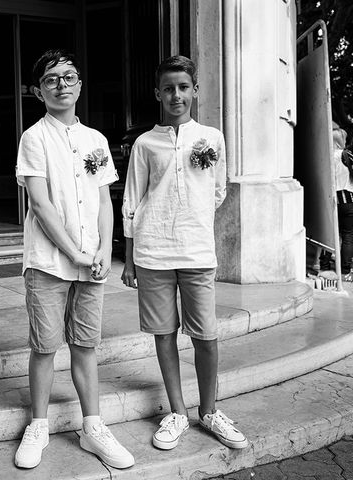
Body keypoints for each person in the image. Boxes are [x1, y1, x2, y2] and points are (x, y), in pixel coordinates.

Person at [13, 49, 134, 470]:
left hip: (92, 261)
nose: (62, 84)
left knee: (85, 345)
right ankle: (39, 425)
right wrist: (76, 253)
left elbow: (104, 199)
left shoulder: (96, 140)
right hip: (49, 262)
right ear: (37, 90)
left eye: (69, 77)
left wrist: (104, 249)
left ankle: (92, 427)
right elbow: (42, 205)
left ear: (80, 84)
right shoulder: (34, 138)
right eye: (51, 79)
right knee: (45, 346)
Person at [121, 55, 248, 451]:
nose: (176, 95)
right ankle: (177, 411)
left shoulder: (211, 137)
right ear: (157, 93)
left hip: (196, 252)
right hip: (153, 252)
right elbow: (132, 198)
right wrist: (129, 258)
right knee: (164, 334)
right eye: (169, 88)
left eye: (183, 87)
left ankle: (209, 410)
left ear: (195, 90)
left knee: (206, 335)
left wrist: (190, 219)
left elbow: (217, 190)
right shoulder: (145, 143)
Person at [319, 121, 353, 280]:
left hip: (330, 200)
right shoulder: (347, 155)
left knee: (329, 234)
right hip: (347, 199)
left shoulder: (324, 158)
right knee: (347, 236)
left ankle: (324, 267)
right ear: (341, 141)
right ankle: (345, 271)